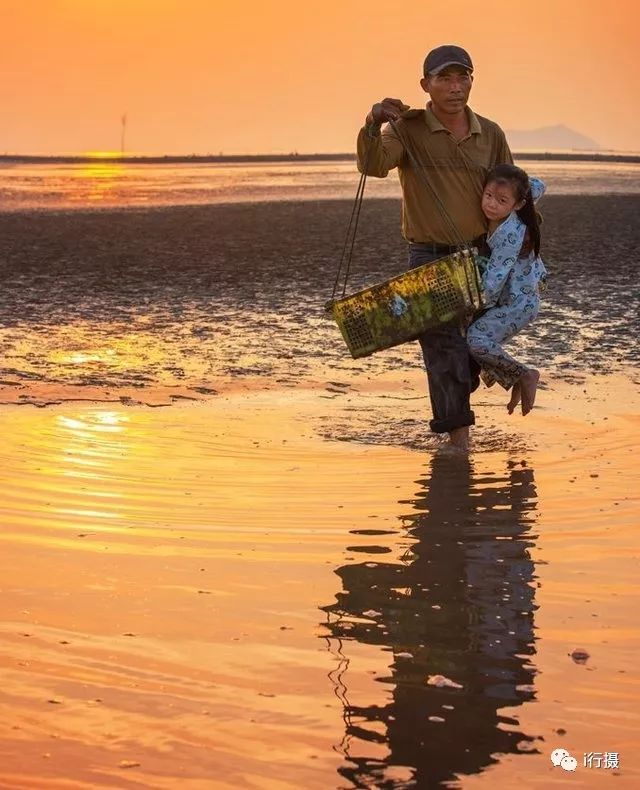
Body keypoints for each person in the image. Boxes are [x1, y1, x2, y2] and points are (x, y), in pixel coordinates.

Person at [357, 44, 513, 451]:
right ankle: (458, 440)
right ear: (425, 85)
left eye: (462, 77)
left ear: (472, 82)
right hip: (428, 256)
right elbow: (373, 165)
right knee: (441, 346)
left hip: (480, 255)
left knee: (471, 344)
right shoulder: (407, 128)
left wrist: (523, 248)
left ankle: (471, 401)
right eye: (444, 78)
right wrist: (373, 121)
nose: (454, 86)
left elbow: (513, 193)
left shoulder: (490, 133)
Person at [466, 164, 547, 416]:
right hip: (516, 300)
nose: (491, 205)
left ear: (518, 205)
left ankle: (524, 374)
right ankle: (516, 380)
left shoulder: (508, 236)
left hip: (518, 305)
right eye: (488, 196)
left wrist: (468, 306)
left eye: (502, 201)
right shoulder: (520, 199)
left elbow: (494, 281)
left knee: (476, 339)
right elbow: (538, 185)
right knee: (479, 342)